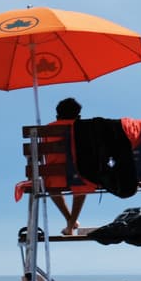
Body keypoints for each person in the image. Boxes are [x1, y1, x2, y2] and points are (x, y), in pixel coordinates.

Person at [46, 97, 88, 235]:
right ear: (79, 116)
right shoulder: (85, 128)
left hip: (56, 176)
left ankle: (70, 222)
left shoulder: (48, 129)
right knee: (83, 183)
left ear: (58, 116)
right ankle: (71, 222)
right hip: (81, 174)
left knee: (51, 186)